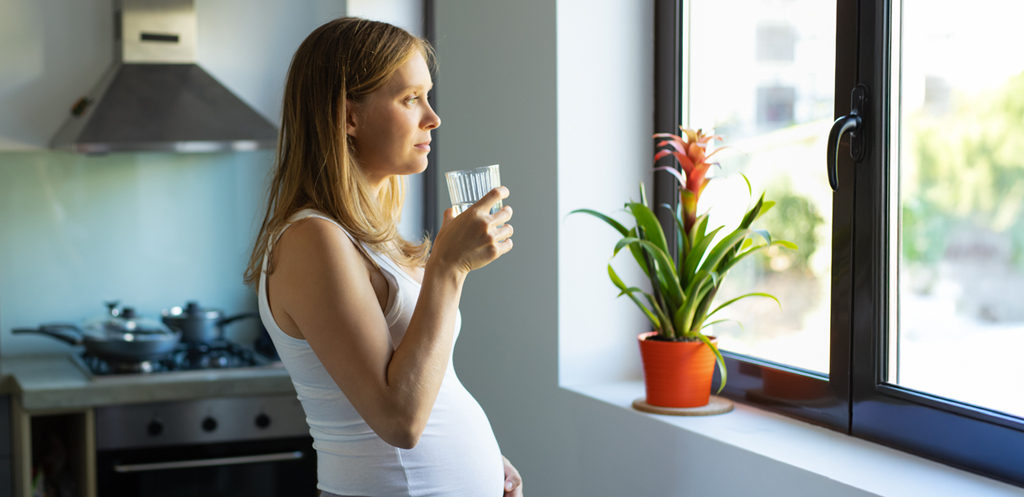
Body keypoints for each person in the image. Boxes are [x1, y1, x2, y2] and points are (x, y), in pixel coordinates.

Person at [243, 17, 522, 497]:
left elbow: (429, 384)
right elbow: (398, 421)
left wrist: (482, 456)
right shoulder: (313, 238)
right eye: (410, 98)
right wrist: (449, 269)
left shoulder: (368, 237)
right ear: (348, 117)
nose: (432, 118)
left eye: (427, 96)